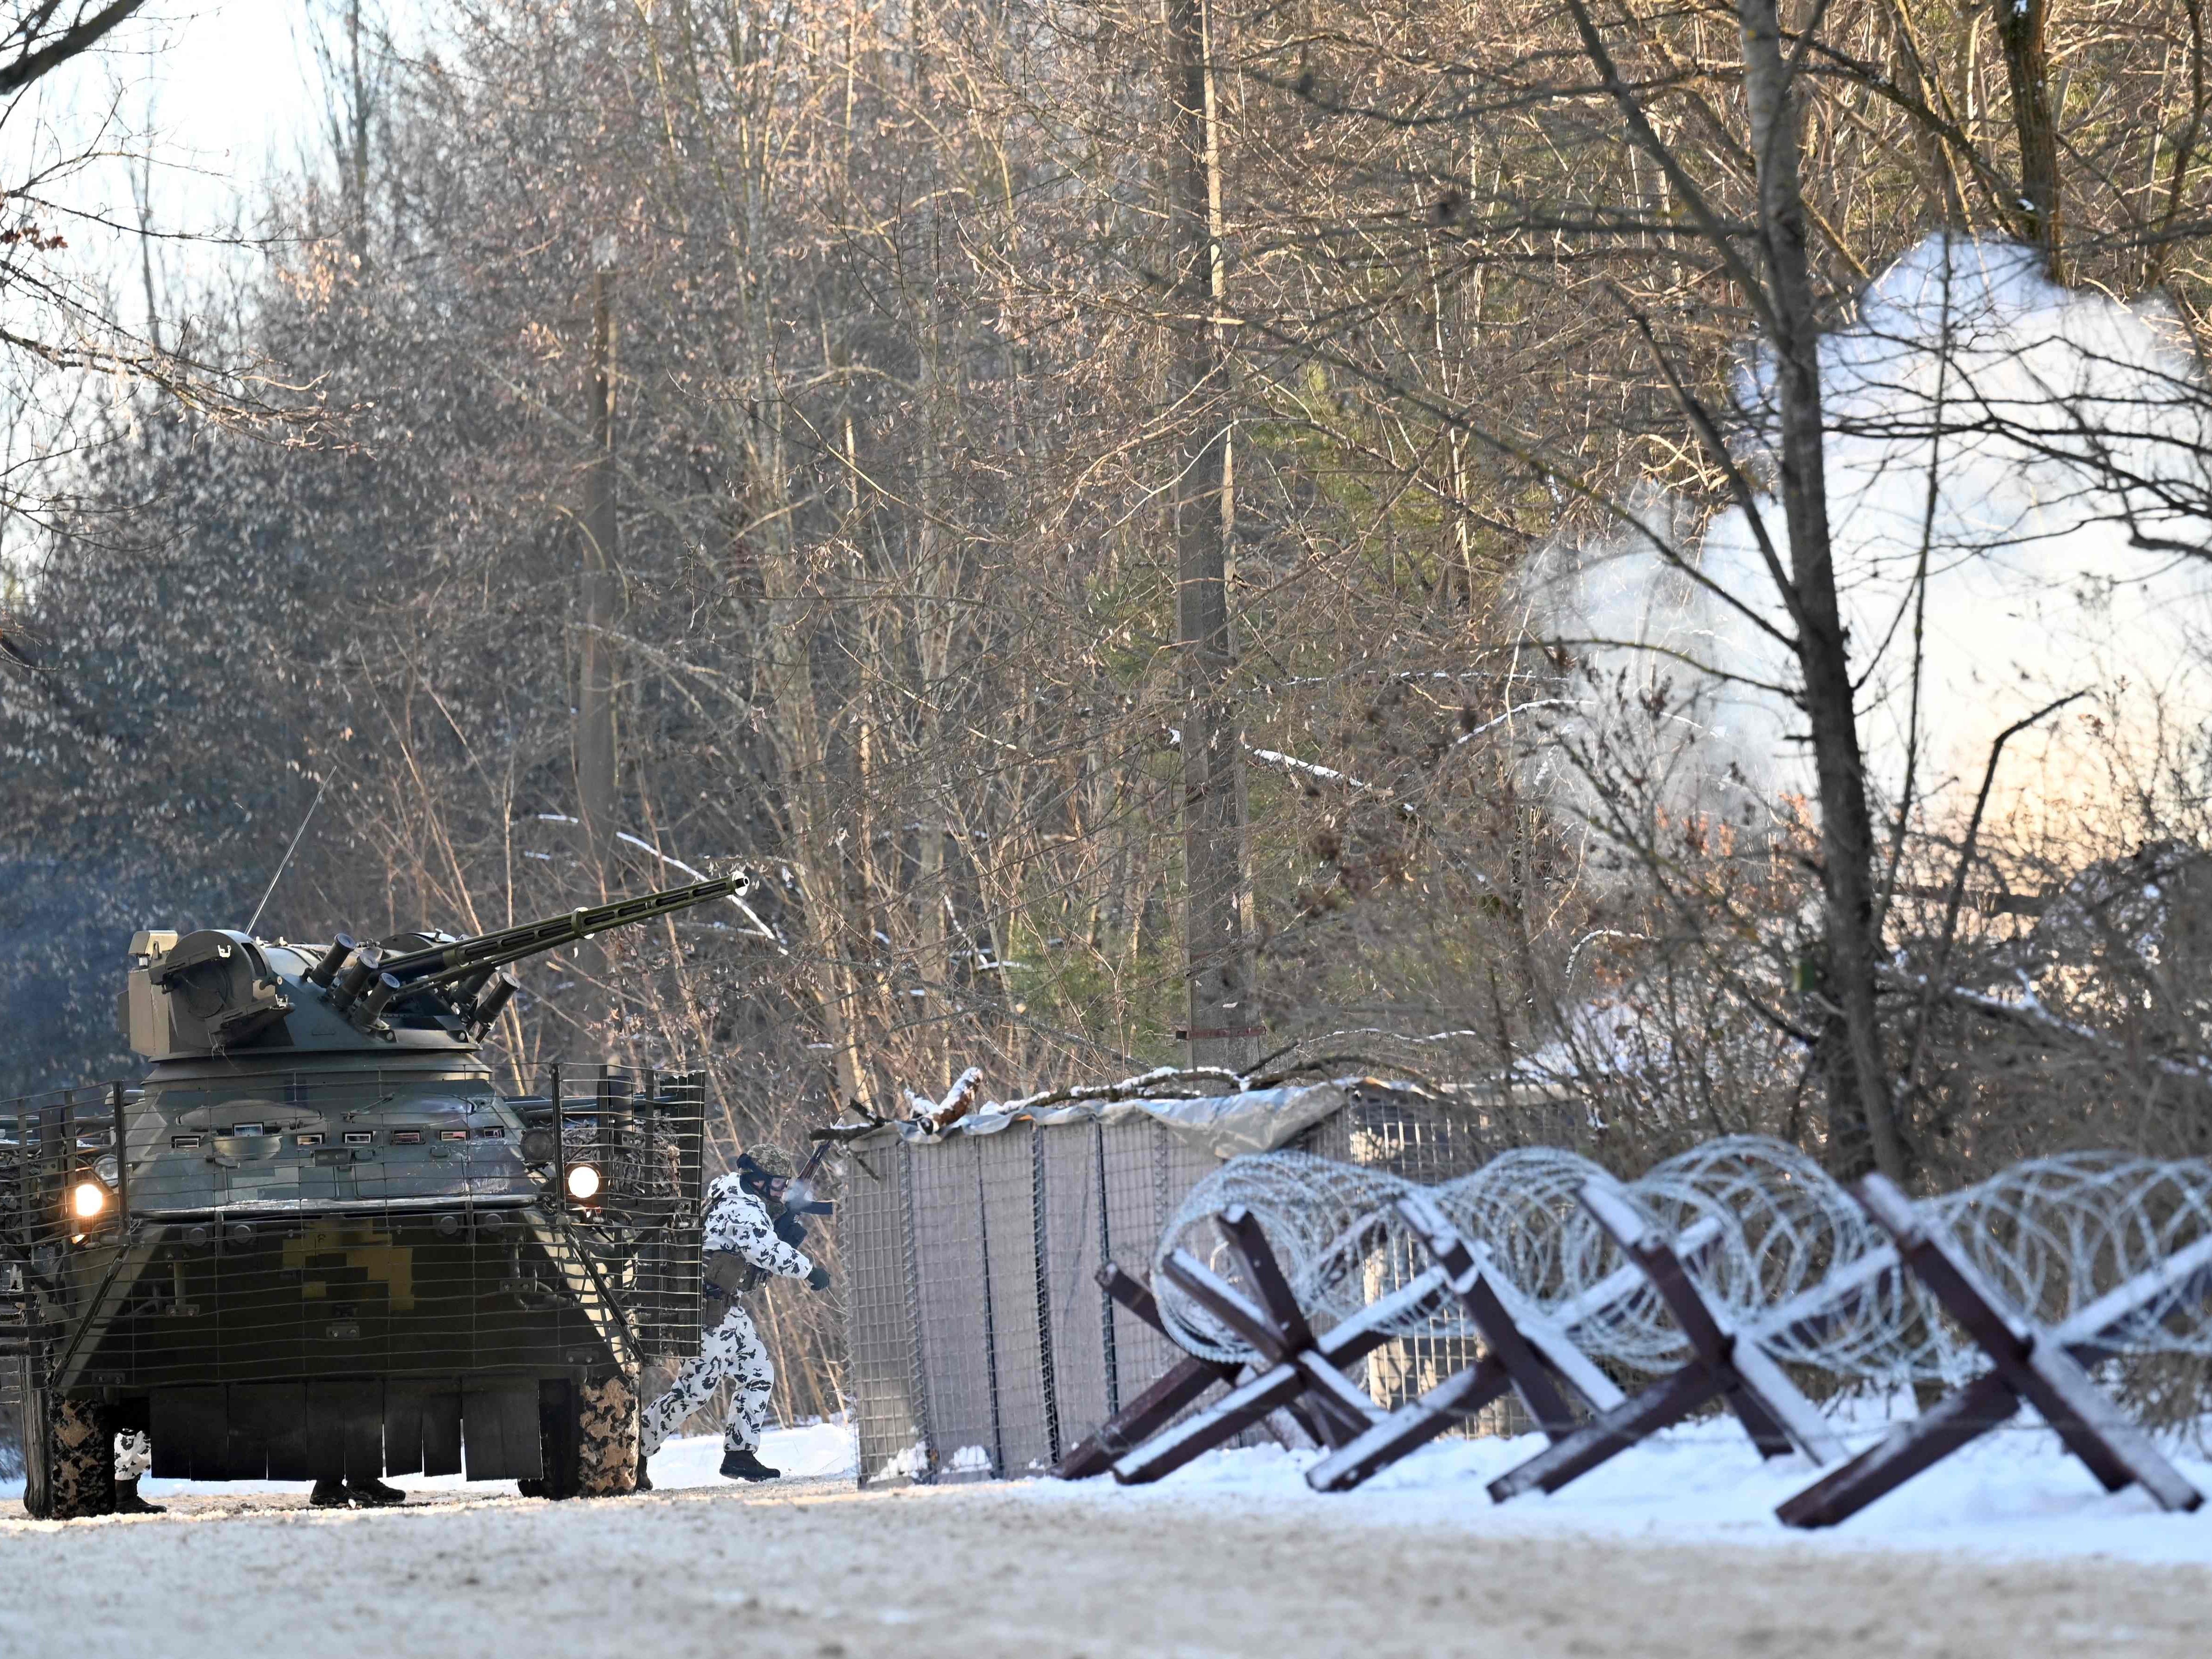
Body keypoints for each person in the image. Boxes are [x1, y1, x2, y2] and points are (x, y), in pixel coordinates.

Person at [639, 1149, 831, 1484]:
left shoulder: (743, 1198)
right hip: (707, 1311)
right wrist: (810, 1271)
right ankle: (634, 1452)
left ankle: (741, 1454)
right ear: (757, 1179)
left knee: (758, 1373)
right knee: (694, 1391)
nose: (782, 1190)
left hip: (728, 1309)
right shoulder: (739, 1209)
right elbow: (767, 1251)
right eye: (777, 1184)